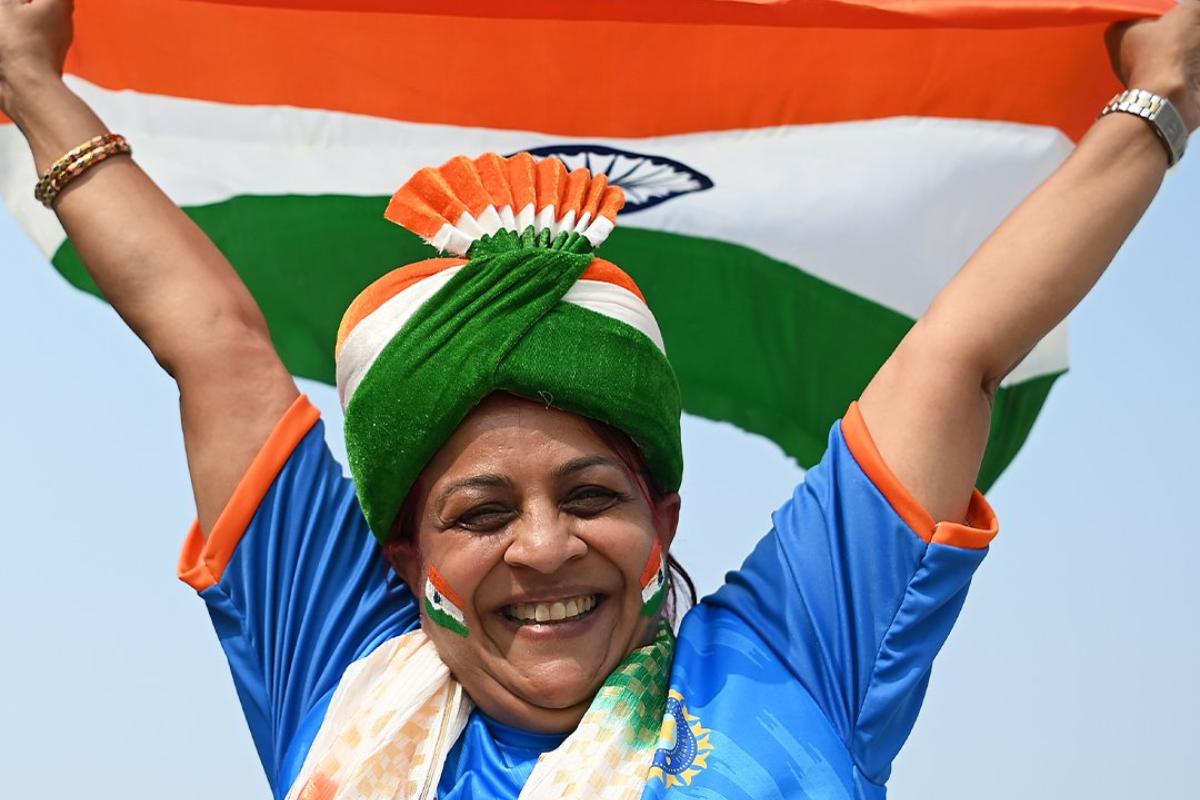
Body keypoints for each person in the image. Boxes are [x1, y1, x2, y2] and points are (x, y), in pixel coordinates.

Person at [2, 0, 1197, 797]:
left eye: (590, 493)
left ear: (661, 521)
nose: (543, 544)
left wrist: (1163, 98)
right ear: (405, 551)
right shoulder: (339, 668)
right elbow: (214, 347)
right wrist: (31, 81)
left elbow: (960, 353)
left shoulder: (791, 660)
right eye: (477, 512)